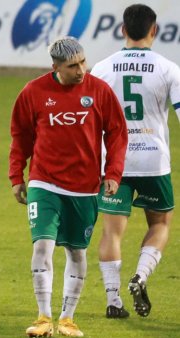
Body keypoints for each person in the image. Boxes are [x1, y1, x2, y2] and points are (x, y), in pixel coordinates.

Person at [10, 37, 128, 338]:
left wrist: (113, 173)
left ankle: (67, 318)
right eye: (73, 66)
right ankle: (42, 316)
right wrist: (16, 177)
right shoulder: (33, 92)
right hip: (44, 182)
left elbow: (117, 134)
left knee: (76, 252)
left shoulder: (99, 91)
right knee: (42, 246)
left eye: (82, 63)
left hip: (85, 187)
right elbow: (20, 136)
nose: (81, 70)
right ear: (56, 67)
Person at [90, 4, 179, 319]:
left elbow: (90, 120)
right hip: (154, 162)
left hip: (115, 162)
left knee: (112, 232)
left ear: (122, 29)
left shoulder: (101, 68)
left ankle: (114, 302)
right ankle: (141, 274)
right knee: (160, 222)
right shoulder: (169, 68)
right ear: (154, 30)